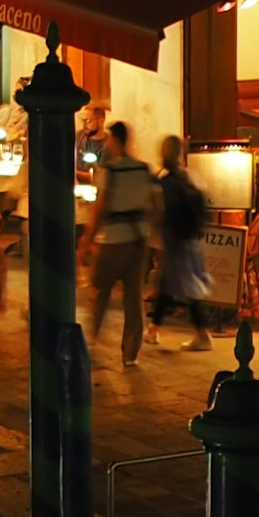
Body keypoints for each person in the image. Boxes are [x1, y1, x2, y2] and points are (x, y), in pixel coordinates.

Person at [90, 121, 158, 366]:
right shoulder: (144, 169)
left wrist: (87, 239)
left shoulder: (110, 171)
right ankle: (130, 353)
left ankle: (91, 338)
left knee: (100, 291)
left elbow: (101, 207)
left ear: (115, 140)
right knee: (133, 298)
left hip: (113, 239)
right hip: (138, 239)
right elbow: (155, 204)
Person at [154, 134, 217, 351]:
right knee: (170, 283)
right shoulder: (189, 177)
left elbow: (163, 212)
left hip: (175, 239)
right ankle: (154, 328)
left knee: (185, 288)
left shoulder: (166, 181)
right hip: (190, 237)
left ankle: (202, 334)